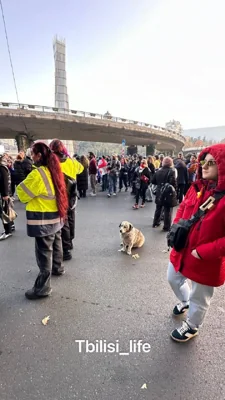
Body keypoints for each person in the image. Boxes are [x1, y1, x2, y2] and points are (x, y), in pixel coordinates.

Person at [168, 144, 225, 342]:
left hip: (205, 259)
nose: (205, 166)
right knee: (173, 278)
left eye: (212, 163)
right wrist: (175, 230)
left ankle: (192, 326)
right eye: (203, 162)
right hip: (182, 248)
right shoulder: (197, 187)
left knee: (199, 298)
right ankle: (184, 302)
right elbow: (183, 208)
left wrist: (204, 252)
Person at [17, 142, 68, 300]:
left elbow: (21, 193)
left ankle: (42, 288)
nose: (31, 157)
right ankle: (58, 268)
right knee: (56, 244)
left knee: (44, 253)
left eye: (33, 154)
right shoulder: (54, 170)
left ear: (39, 156)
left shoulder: (37, 174)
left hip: (43, 219)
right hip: (56, 216)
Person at [49, 139, 84, 261]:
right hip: (72, 194)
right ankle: (70, 243)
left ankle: (66, 249)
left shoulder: (52, 162)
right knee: (71, 218)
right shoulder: (71, 161)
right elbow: (81, 168)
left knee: (63, 222)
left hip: (60, 194)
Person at [152, 157, 177, 231]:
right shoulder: (172, 171)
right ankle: (166, 226)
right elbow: (173, 183)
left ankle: (156, 222)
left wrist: (160, 184)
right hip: (168, 193)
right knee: (168, 210)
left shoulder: (158, 171)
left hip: (159, 192)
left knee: (158, 208)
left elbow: (153, 181)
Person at [0, 153, 14, 240]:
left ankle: (8, 230)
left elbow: (5, 181)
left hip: (3, 194)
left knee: (3, 212)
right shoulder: (3, 167)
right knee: (6, 210)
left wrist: (5, 194)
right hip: (4, 193)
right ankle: (10, 226)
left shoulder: (1, 168)